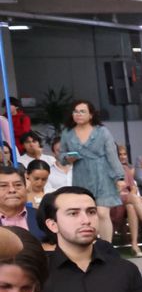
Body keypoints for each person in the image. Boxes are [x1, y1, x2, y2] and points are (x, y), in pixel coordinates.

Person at [55, 100, 121, 242]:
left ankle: (107, 246)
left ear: (91, 115)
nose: (78, 114)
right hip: (81, 174)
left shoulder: (102, 131)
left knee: (102, 213)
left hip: (102, 174)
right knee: (86, 212)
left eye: (82, 111)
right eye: (75, 111)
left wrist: (119, 177)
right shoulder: (67, 133)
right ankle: (91, 244)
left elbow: (112, 155)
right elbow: (61, 156)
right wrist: (68, 158)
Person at [0, 166, 45, 242]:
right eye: (3, 186)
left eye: (18, 185)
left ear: (25, 188)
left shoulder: (42, 217)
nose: (12, 190)